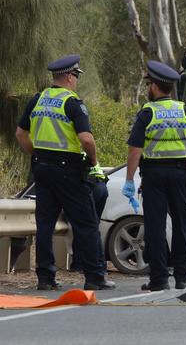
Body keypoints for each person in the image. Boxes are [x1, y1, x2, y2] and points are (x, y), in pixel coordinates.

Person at [14, 54, 115, 290]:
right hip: (67, 170)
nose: (76, 81)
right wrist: (94, 162)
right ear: (70, 77)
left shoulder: (38, 99)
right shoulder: (72, 102)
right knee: (86, 223)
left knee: (45, 225)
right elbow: (86, 139)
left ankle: (45, 278)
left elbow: (20, 134)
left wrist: (36, 153)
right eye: (76, 76)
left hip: (42, 168)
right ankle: (94, 277)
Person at [123, 60, 186, 291]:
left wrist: (129, 180)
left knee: (155, 227)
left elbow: (135, 150)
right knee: (182, 225)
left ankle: (159, 280)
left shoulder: (147, 113)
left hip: (154, 175)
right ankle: (184, 277)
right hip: (181, 174)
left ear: (154, 86)